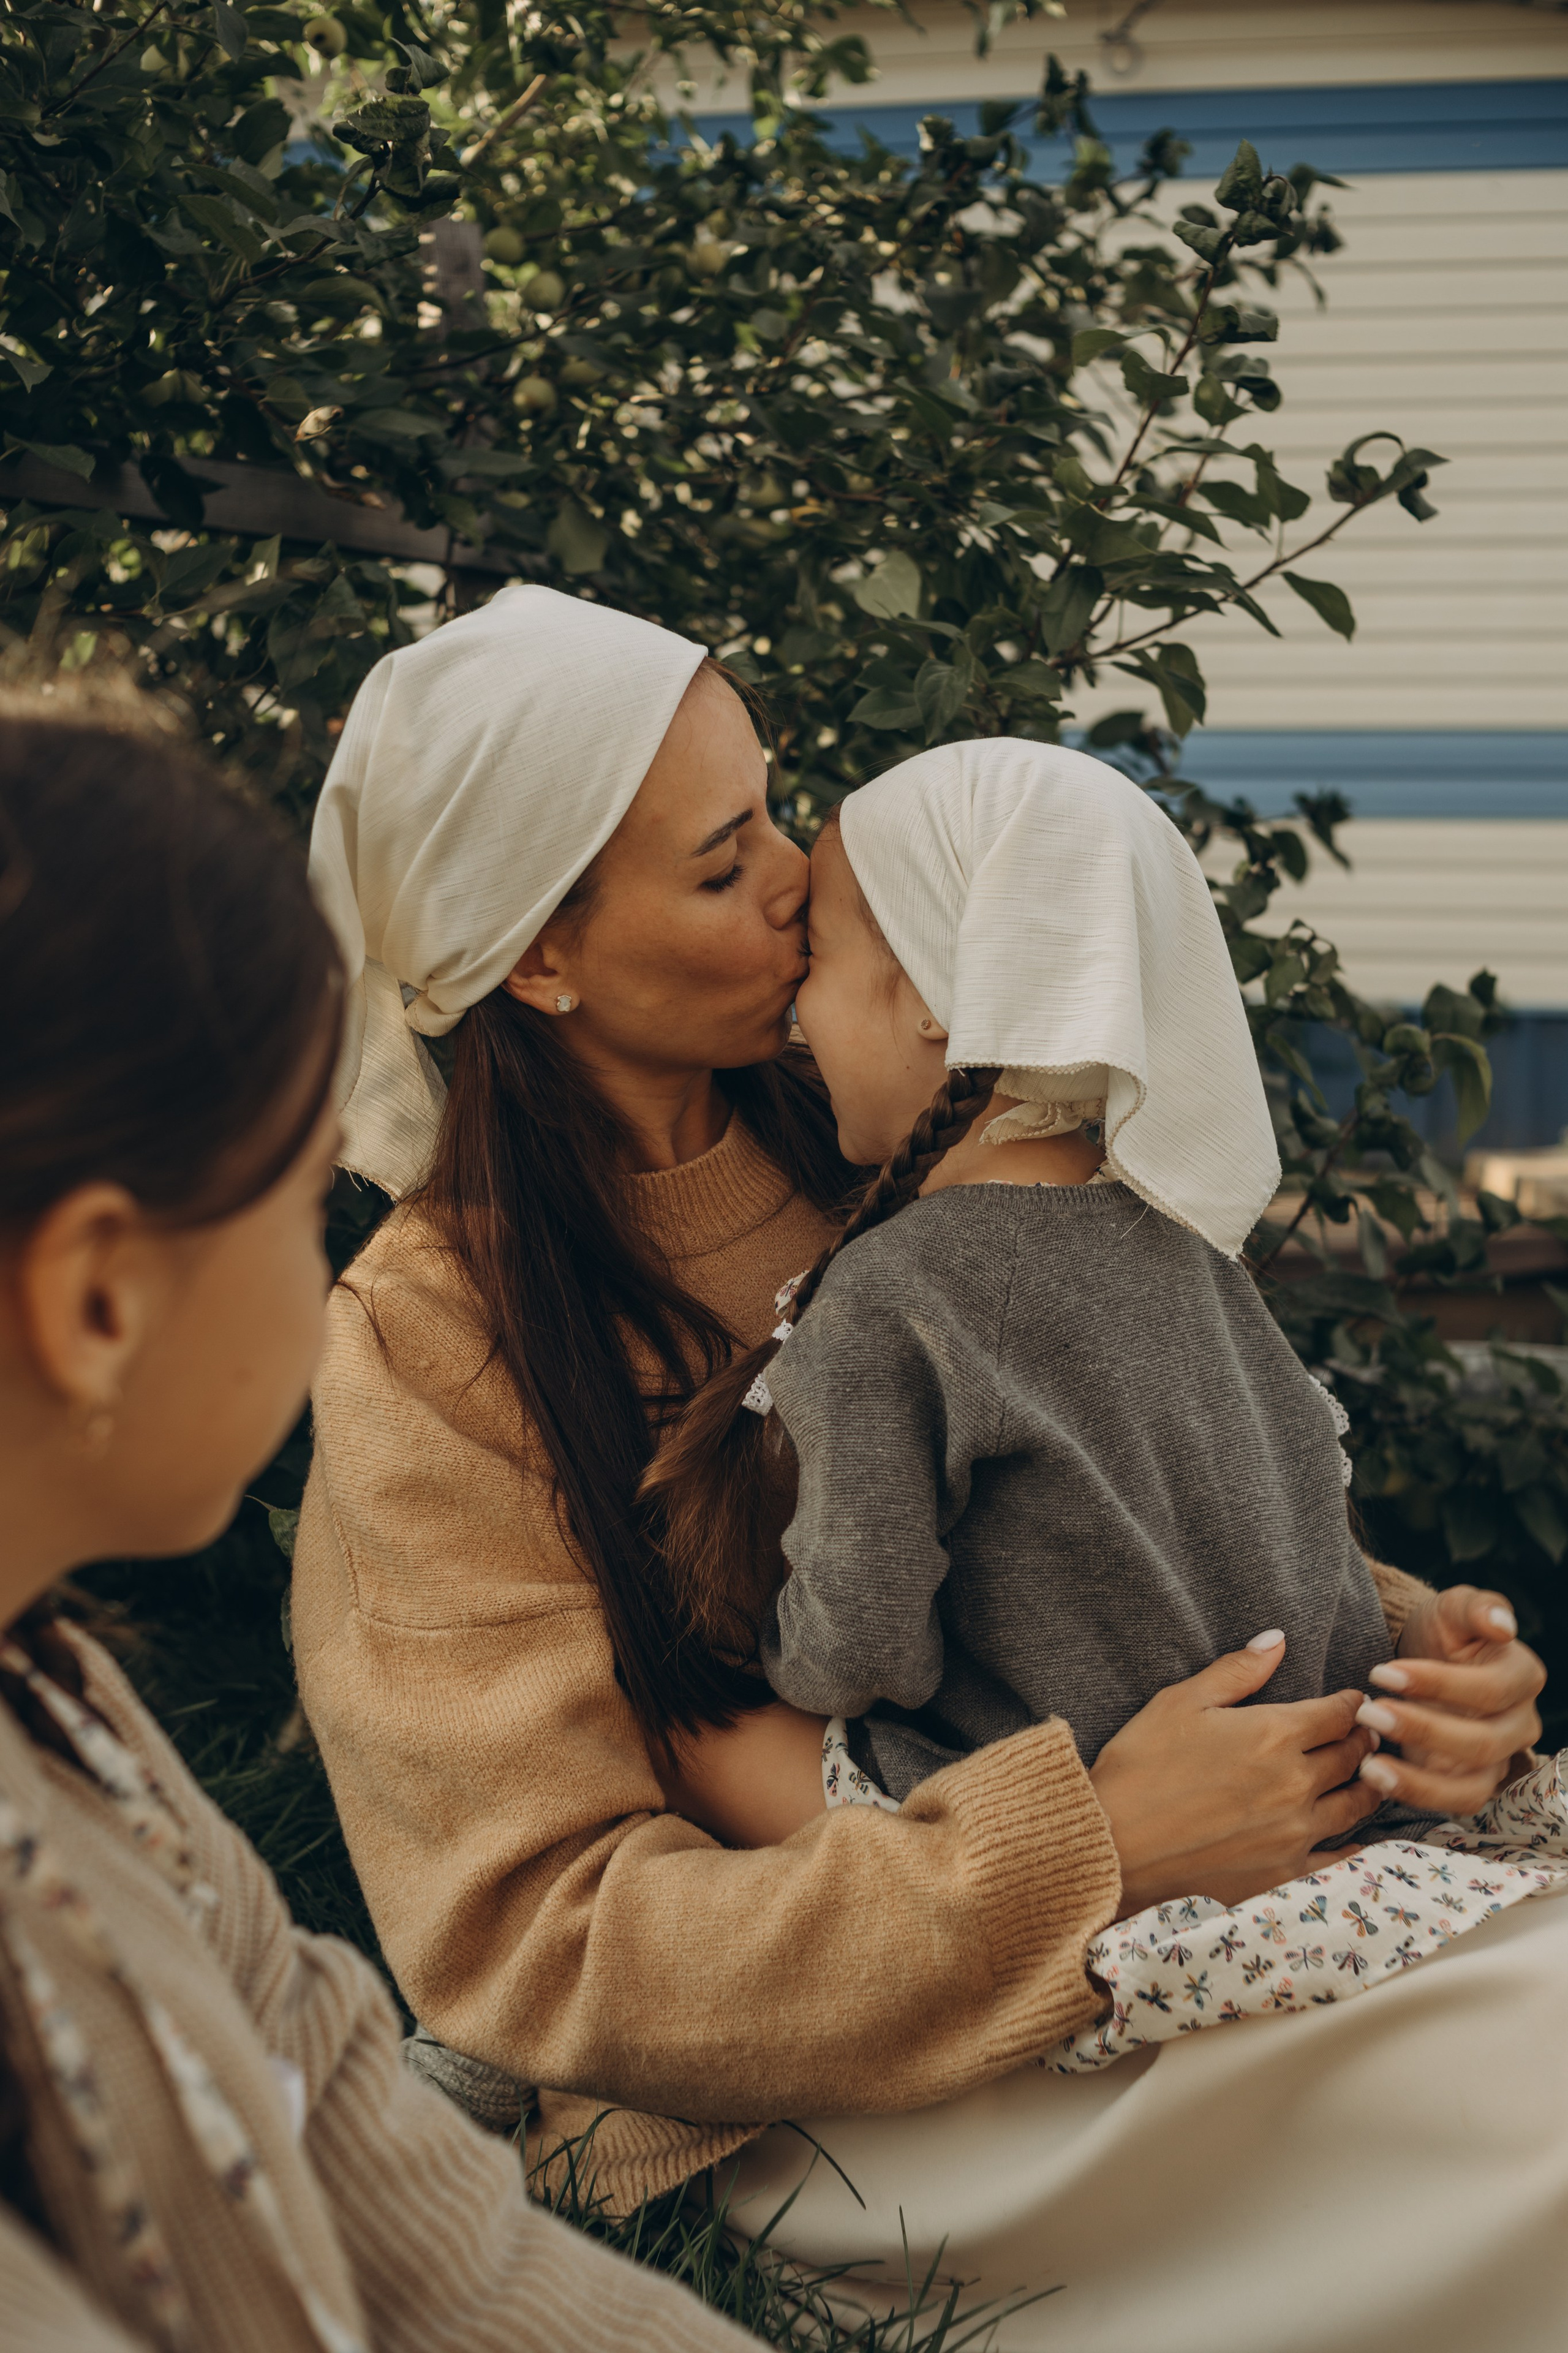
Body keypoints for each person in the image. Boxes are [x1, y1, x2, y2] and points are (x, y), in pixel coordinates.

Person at [291, 591, 1561, 2346]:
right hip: (876, 2076)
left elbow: (1125, 1507)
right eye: (727, 863)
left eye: (776, 808)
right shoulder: (430, 1342)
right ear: (542, 958)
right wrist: (1084, 1853)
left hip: (1231, 1926)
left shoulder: (908, 1131)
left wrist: (1413, 1673)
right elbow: (548, 1942)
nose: (806, 880)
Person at [0, 695, 755, 2352]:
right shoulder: (434, 1332)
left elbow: (438, 2240)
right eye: (294, 1203)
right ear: (99, 1300)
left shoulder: (76, 1732)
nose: (336, 1250)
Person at [643, 735, 1566, 2064]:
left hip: (1088, 1879)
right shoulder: (1188, 1252)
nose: (795, 1014)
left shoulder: (886, 1293)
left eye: (824, 966)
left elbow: (864, 1651)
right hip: (1333, 1847)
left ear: (927, 999)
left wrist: (778, 1647)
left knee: (701, 1726)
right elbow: (1298, 1522)